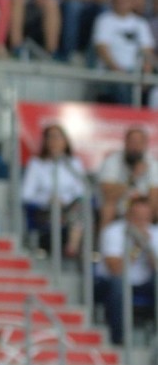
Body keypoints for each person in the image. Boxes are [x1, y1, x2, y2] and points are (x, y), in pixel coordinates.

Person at [94, 195, 158, 346]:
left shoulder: (154, 233)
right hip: (109, 283)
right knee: (119, 283)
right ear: (128, 215)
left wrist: (148, 248)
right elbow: (116, 269)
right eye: (137, 217)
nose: (142, 221)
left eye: (145, 217)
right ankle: (119, 338)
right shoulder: (113, 231)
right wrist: (136, 247)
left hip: (143, 284)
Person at [21, 123, 86, 258]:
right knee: (71, 215)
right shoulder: (37, 164)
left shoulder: (73, 163)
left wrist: (65, 200)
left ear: (65, 141)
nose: (54, 142)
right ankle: (70, 249)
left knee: (79, 211)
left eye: (58, 137)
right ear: (45, 141)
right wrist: (48, 199)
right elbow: (26, 194)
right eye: (51, 137)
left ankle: (71, 248)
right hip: (44, 209)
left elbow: (81, 190)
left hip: (69, 207)